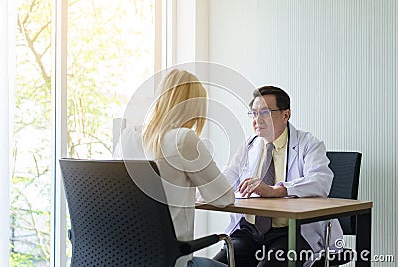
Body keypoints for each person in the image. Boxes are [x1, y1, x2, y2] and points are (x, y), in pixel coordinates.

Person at [115, 69, 235, 267]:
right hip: (172, 260)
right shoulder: (183, 139)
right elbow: (224, 197)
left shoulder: (127, 137)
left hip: (127, 255)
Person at [213, 86, 343, 267]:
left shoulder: (309, 144)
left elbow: (321, 180)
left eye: (265, 112)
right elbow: (228, 177)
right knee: (213, 265)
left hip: (290, 232)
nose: (257, 119)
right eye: (253, 113)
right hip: (249, 231)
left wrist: (276, 190)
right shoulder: (248, 146)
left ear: (285, 115)